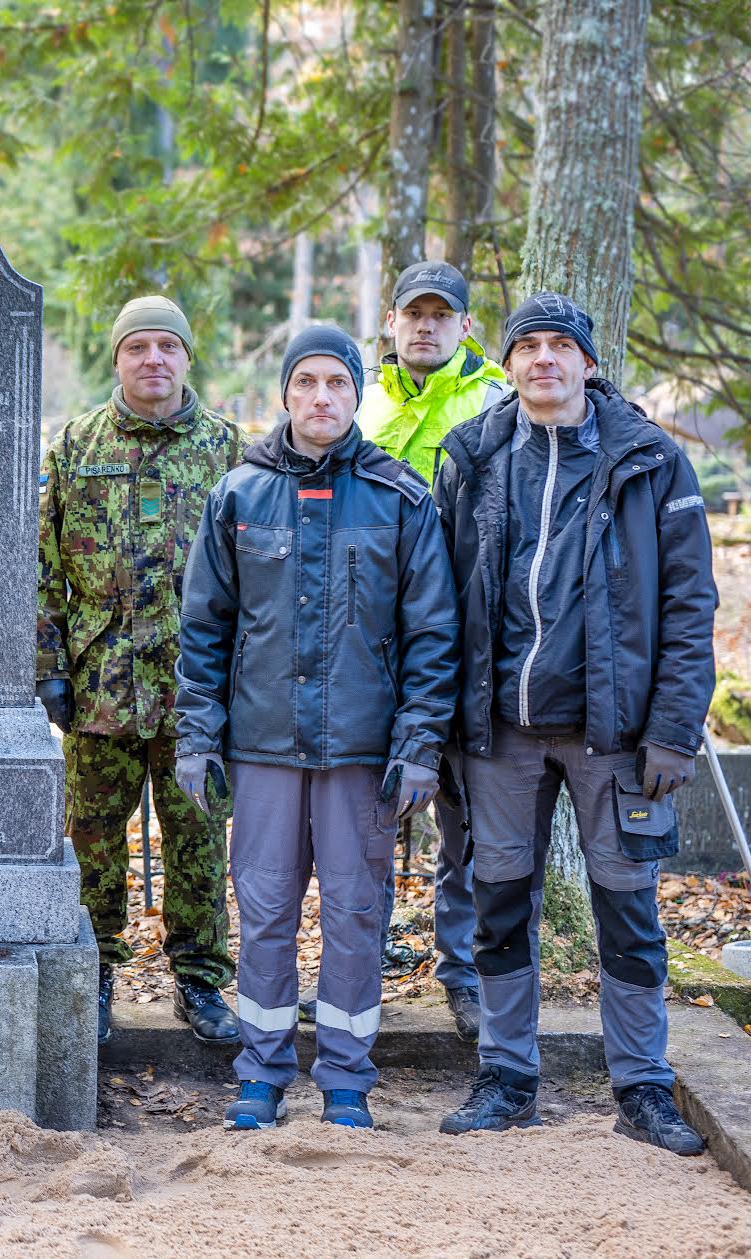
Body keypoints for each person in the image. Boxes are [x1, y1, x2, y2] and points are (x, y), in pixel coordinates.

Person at [434, 293, 716, 1155]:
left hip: (617, 735)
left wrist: (673, 727)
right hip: (501, 734)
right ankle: (508, 1077)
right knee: (500, 906)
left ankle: (641, 1084)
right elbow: (437, 599)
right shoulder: (472, 456)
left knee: (628, 911)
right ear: (508, 362)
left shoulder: (651, 462)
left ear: (590, 363)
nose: (545, 360)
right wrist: (444, 726)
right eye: (530, 346)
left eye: (562, 346)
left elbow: (689, 602)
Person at [175, 325, 458, 1131]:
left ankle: (344, 1077)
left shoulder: (401, 498)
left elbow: (433, 636)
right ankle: (260, 1073)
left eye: (338, 382)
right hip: (262, 746)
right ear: (287, 394)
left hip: (362, 752)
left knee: (355, 911)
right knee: (263, 909)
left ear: (357, 392)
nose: (322, 397)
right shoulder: (238, 495)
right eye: (307, 382)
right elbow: (204, 626)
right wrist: (198, 735)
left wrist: (418, 744)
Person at [37, 295, 242, 1047]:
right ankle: (93, 971)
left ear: (187, 357)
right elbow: (42, 564)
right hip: (100, 688)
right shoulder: (76, 444)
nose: (153, 359)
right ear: (117, 357)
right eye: (138, 347)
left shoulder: (227, 448)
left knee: (197, 839)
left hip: (197, 693)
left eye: (167, 346)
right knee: (92, 840)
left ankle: (200, 979)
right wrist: (51, 665)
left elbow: (253, 573)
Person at [352, 259, 507, 1038]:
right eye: (413, 312)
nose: (425, 325)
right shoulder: (359, 400)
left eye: (442, 314)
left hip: (474, 646)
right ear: (390, 322)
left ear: (466, 327)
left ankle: (466, 973)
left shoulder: (497, 401)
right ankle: (358, 969)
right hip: (373, 643)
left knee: (470, 823)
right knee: (367, 818)